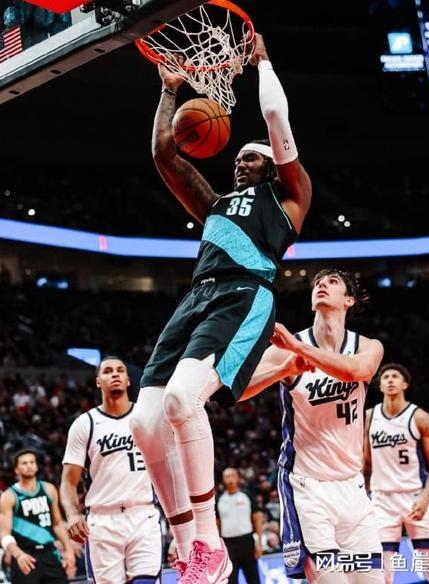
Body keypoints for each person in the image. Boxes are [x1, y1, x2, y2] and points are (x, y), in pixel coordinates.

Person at [130, 32, 312, 584]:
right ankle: (189, 546)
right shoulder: (214, 204)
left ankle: (211, 541)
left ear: (271, 165)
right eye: (236, 158)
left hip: (245, 295)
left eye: (249, 157)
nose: (239, 163)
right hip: (197, 298)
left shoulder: (289, 197)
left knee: (183, 400)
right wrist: (170, 90)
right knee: (144, 423)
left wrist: (263, 62)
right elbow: (164, 154)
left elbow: (276, 118)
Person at [242, 269, 384, 584]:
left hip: (353, 487)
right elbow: (237, 391)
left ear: (349, 300)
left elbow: (356, 371)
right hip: (308, 487)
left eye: (332, 282)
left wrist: (298, 349)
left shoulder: (367, 346)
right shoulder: (286, 350)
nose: (322, 284)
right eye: (318, 282)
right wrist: (282, 369)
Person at [60, 356, 162, 584]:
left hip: (143, 514)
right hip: (102, 520)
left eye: (120, 370)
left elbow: (169, 471)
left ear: (128, 380)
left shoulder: (147, 417)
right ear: (98, 381)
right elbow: (68, 481)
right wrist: (73, 514)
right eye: (107, 371)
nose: (115, 374)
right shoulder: (85, 424)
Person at [363, 364, 429, 584]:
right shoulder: (369, 417)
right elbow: (366, 464)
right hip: (381, 500)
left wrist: (426, 497)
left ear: (405, 384)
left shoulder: (420, 418)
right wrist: (361, 497)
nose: (390, 380)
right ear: (380, 385)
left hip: (415, 497)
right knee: (382, 576)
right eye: (386, 377)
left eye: (395, 376)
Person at [0, 449, 74, 584]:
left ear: (37, 466)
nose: (29, 465)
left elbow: (57, 524)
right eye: (24, 463)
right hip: (25, 555)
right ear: (16, 469)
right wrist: (18, 554)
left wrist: (68, 550)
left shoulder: (49, 489)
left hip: (50, 553)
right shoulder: (9, 496)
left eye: (32, 462)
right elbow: (4, 534)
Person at [216, 468, 262, 584]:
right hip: (228, 544)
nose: (230, 479)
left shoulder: (247, 495)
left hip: (247, 541)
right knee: (231, 580)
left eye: (232, 475)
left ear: (238, 478)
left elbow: (257, 519)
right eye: (226, 476)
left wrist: (259, 543)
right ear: (223, 480)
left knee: (253, 578)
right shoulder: (219, 500)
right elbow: (217, 524)